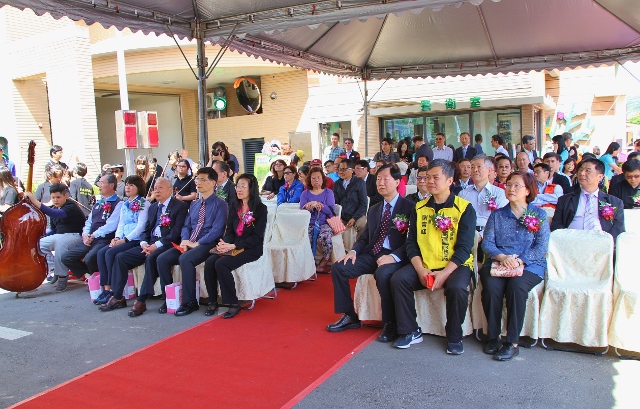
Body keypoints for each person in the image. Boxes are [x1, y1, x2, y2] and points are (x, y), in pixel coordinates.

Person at [390, 159, 476, 354]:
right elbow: (411, 243)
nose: (430, 181)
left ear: (449, 180)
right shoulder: (419, 208)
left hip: (455, 266)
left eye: (435, 177)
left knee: (457, 288)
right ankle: (409, 330)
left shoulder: (464, 208)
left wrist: (445, 274)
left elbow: (464, 248)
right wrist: (420, 270)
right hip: (426, 263)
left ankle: (454, 336)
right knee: (399, 279)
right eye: (427, 177)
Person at [327, 164, 414, 341]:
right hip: (373, 253)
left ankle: (390, 323)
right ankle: (350, 315)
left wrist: (394, 256)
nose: (380, 183)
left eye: (385, 179)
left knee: (383, 274)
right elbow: (365, 237)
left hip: (394, 256)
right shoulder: (374, 208)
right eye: (378, 179)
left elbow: (411, 241)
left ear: (397, 182)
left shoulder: (409, 207)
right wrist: (353, 251)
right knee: (339, 268)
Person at [480, 171, 550, 361]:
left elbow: (541, 247)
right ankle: (493, 337)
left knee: (516, 287)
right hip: (499, 262)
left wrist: (520, 260)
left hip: (529, 265)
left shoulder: (539, 214)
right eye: (508, 184)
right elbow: (487, 243)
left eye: (516, 185)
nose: (510, 188)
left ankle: (512, 342)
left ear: (528, 190)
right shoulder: (497, 215)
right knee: (491, 288)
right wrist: (502, 257)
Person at [112, 177, 189, 317]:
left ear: (170, 190)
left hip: (167, 244)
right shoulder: (153, 207)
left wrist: (156, 246)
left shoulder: (180, 206)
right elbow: (146, 230)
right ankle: (118, 296)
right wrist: (144, 243)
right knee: (121, 257)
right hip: (150, 244)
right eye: (155, 188)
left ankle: (141, 300)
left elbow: (176, 233)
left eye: (160, 188)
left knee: (153, 258)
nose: (156, 191)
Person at [156, 167, 228, 316]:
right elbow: (187, 225)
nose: (198, 182)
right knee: (162, 259)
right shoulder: (194, 204)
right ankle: (169, 298)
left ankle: (190, 302)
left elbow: (217, 230)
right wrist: (185, 240)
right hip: (190, 242)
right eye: (197, 179)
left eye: (203, 179)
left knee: (186, 259)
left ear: (213, 182)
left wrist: (197, 243)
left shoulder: (221, 204)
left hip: (207, 243)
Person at [202, 174, 267, 318]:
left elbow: (257, 237)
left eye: (244, 186)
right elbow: (230, 231)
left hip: (251, 248)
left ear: (252, 189)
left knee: (222, 264)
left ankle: (232, 303)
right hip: (233, 245)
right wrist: (225, 244)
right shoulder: (234, 205)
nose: (239, 189)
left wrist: (233, 245)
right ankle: (212, 301)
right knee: (210, 262)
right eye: (238, 186)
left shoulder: (260, 209)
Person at [95, 176, 150, 310]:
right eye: (126, 185)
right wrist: (117, 238)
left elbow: (141, 226)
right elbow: (121, 223)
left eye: (131, 185)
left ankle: (114, 293)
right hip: (123, 238)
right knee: (102, 252)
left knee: (111, 253)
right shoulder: (125, 203)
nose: (127, 187)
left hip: (134, 239)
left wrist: (125, 240)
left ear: (139, 187)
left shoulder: (144, 202)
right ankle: (107, 288)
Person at [61, 173, 123, 289]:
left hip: (104, 239)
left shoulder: (119, 204)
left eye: (101, 183)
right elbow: (89, 221)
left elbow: (111, 225)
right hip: (91, 239)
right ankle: (91, 275)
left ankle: (99, 282)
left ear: (111, 185)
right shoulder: (98, 203)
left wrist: (93, 235)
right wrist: (85, 234)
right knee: (67, 257)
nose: (99, 186)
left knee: (90, 258)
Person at [23, 183, 86, 290]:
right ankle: (54, 269)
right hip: (60, 236)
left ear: (65, 196)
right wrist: (38, 237)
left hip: (76, 235)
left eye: (58, 197)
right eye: (53, 198)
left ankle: (62, 276)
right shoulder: (55, 208)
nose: (55, 200)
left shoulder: (71, 206)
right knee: (38, 244)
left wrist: (34, 201)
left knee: (61, 244)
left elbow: (56, 214)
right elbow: (53, 229)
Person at [551, 158, 625, 241]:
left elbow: (618, 229)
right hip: (571, 243)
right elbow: (556, 225)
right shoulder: (565, 200)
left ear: (600, 177)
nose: (582, 173)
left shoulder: (615, 202)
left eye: (588, 171)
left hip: (601, 244)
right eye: (580, 170)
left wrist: (605, 243)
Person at [459, 155, 508, 237]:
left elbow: (501, 221)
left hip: (491, 236)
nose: (475, 170)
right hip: (467, 234)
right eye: (472, 167)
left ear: (489, 170)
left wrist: (481, 235)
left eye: (479, 167)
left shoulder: (499, 193)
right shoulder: (463, 194)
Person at [300, 166, 336, 273]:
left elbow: (330, 211)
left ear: (323, 179)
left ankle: (325, 260)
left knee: (325, 237)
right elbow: (301, 211)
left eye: (319, 178)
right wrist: (308, 207)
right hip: (308, 223)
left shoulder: (328, 192)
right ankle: (306, 262)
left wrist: (320, 205)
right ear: (309, 180)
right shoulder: (305, 193)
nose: (316, 180)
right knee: (304, 237)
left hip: (324, 223)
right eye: (313, 178)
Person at [333, 159, 368, 241]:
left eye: (344, 169)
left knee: (363, 225)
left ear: (352, 170)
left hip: (356, 215)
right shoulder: (337, 184)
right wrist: (338, 216)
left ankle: (359, 248)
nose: (341, 172)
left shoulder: (359, 183)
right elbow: (335, 203)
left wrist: (354, 218)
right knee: (330, 226)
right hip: (342, 215)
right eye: (340, 169)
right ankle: (340, 251)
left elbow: (363, 204)